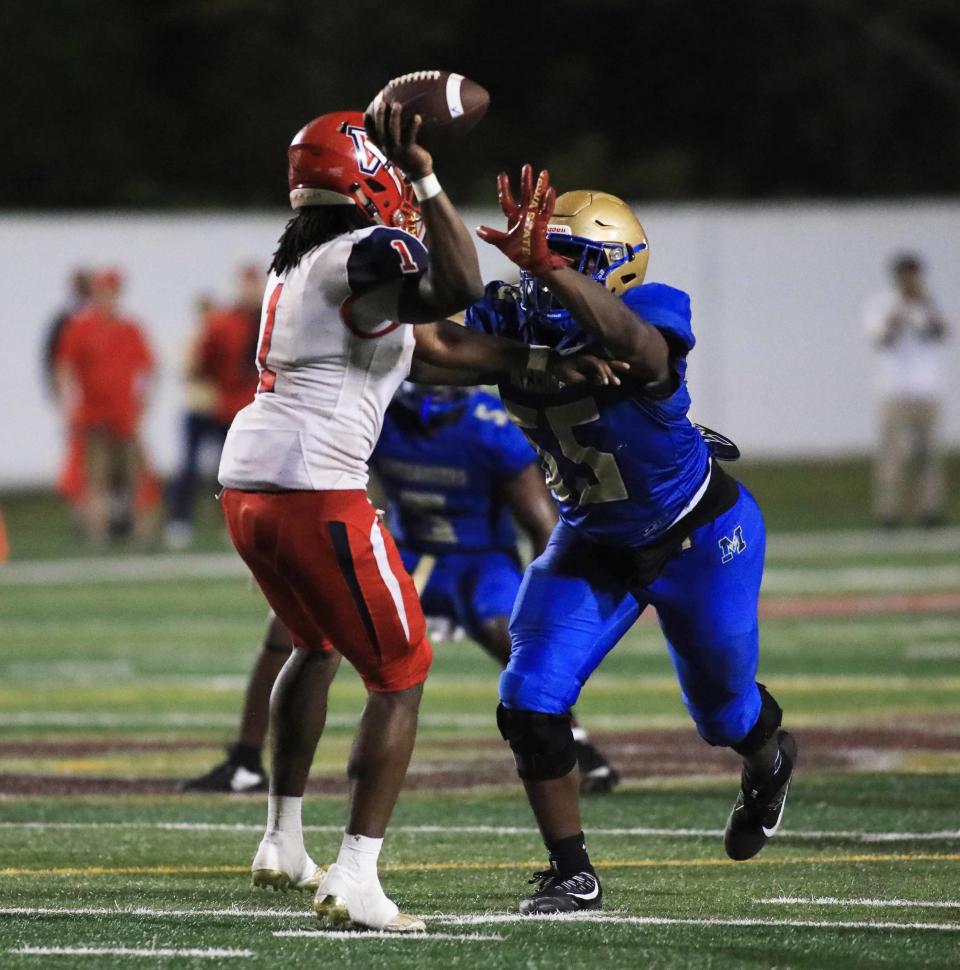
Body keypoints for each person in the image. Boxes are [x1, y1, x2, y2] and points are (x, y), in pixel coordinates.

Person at [215, 108, 621, 932]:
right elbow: (461, 288)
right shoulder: (369, 247)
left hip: (251, 481)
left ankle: (283, 839)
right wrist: (431, 177)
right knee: (401, 675)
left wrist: (542, 362)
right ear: (370, 172)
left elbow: (429, 351)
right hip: (314, 486)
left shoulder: (305, 258)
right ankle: (357, 873)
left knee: (315, 645)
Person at [451, 167, 798, 914]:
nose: (542, 264)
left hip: (699, 538)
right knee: (528, 698)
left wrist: (543, 267)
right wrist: (532, 357)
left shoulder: (652, 306)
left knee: (723, 716)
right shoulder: (519, 319)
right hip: (592, 540)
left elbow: (642, 351)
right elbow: (426, 353)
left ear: (613, 265)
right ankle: (572, 871)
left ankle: (768, 761)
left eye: (566, 253)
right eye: (541, 249)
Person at [183, 383, 619, 795]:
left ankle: (575, 742)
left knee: (510, 633)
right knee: (289, 625)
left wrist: (545, 603)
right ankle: (245, 760)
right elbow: (334, 488)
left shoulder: (490, 428)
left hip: (478, 560)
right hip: (404, 552)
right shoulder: (382, 417)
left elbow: (541, 525)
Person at [54, 269, 158, 548]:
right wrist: (67, 406)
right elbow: (65, 369)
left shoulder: (130, 329)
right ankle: (97, 534)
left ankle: (142, 535)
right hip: (93, 417)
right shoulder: (80, 328)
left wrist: (144, 405)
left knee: (137, 475)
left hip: (125, 416)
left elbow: (149, 369)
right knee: (94, 477)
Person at [166, 268, 263, 548]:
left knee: (246, 471)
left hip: (252, 408)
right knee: (196, 466)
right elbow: (202, 363)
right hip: (223, 407)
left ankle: (242, 522)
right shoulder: (224, 323)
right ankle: (181, 520)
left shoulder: (271, 318)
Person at [863, 253, 950, 528]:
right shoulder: (881, 303)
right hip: (893, 390)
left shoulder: (930, 302)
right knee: (892, 456)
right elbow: (882, 338)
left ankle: (930, 512)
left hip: (926, 390)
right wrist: (901, 309)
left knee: (929, 456)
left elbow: (941, 332)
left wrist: (924, 305)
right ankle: (889, 514)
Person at [42, 268, 91, 395]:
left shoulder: (102, 319)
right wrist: (54, 382)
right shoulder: (64, 320)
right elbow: (52, 353)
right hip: (72, 384)